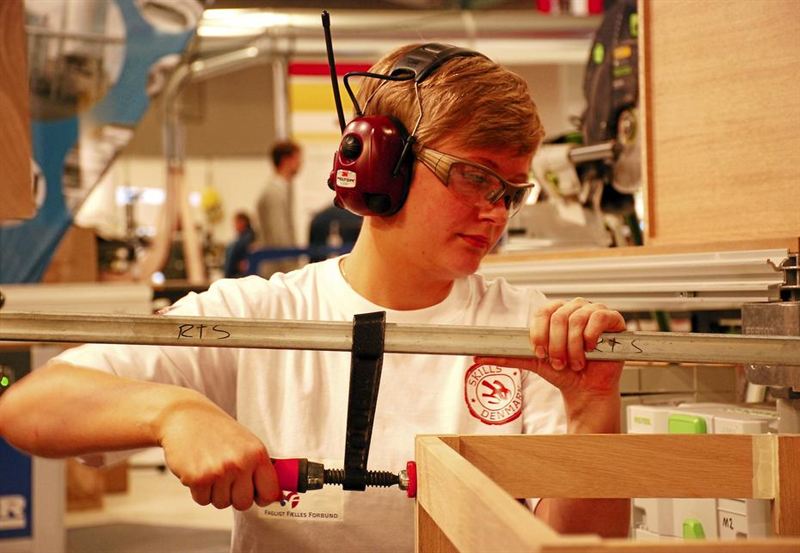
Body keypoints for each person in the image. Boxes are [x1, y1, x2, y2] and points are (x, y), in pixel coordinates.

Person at [0, 43, 630, 552]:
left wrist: (591, 413)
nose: (495, 212)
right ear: (383, 164)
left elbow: (578, 547)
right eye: (474, 177)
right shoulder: (260, 318)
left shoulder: (531, 333)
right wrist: (174, 413)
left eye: (511, 192)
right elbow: (30, 405)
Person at [255, 140, 302, 276]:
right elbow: (280, 235)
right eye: (297, 158)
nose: (300, 163)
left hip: (278, 269)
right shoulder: (274, 192)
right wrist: (292, 272)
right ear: (286, 160)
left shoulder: (282, 190)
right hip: (276, 271)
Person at [223, 212, 256, 278]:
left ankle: (227, 276)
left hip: (244, 268)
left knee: (231, 247)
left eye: (236, 223)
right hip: (240, 268)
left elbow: (241, 250)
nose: (235, 226)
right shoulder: (243, 236)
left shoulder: (248, 236)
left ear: (243, 222)